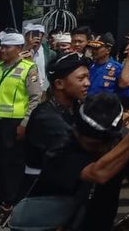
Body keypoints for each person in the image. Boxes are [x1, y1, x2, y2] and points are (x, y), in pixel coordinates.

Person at [10, 92, 129, 231]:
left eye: (103, 145)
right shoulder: (61, 146)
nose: (99, 149)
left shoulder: (119, 144)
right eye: (91, 144)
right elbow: (98, 173)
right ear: (77, 130)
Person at [0, 29, 42, 217]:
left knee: (11, 165)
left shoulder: (28, 67)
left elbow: (35, 98)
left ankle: (10, 202)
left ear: (18, 48)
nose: (4, 50)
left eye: (8, 47)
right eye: (3, 47)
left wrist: (24, 123)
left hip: (13, 123)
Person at [21, 53, 90, 198]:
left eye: (88, 77)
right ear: (59, 84)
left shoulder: (78, 107)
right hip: (41, 193)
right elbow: (80, 142)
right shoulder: (44, 116)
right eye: (80, 78)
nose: (87, 83)